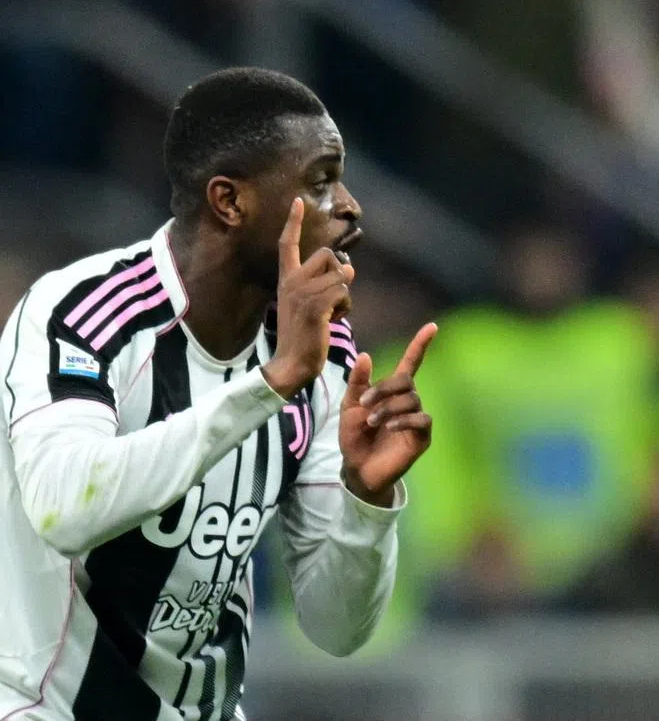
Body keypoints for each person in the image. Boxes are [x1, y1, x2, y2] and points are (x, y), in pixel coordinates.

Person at [0, 67, 436, 721]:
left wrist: (365, 501)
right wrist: (265, 387)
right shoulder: (85, 313)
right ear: (230, 203)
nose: (349, 206)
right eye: (320, 181)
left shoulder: (325, 357)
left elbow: (337, 630)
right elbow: (65, 509)